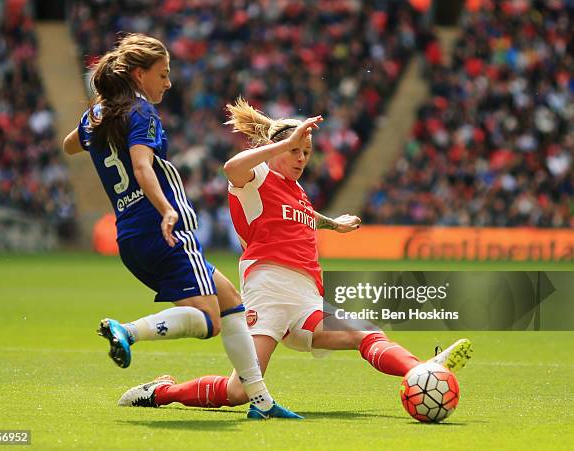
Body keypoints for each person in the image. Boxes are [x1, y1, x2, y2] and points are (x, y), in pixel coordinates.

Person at [118, 97, 473, 412]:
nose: (302, 157)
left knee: (365, 333)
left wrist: (333, 224)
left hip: (307, 297)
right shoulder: (255, 176)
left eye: (306, 152)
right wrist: (283, 144)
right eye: (295, 150)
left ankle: (420, 369)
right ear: (277, 147)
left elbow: (305, 217)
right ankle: (160, 392)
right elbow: (231, 168)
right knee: (239, 391)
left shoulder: (298, 191)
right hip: (268, 288)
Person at [62, 35, 300, 419]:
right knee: (208, 321)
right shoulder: (140, 113)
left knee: (230, 304)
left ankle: (261, 401)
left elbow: (70, 145)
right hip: (163, 226)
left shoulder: (98, 116)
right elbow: (141, 167)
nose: (168, 83)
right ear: (139, 75)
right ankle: (128, 331)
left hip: (130, 236)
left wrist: (98, 119)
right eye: (163, 74)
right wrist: (166, 210)